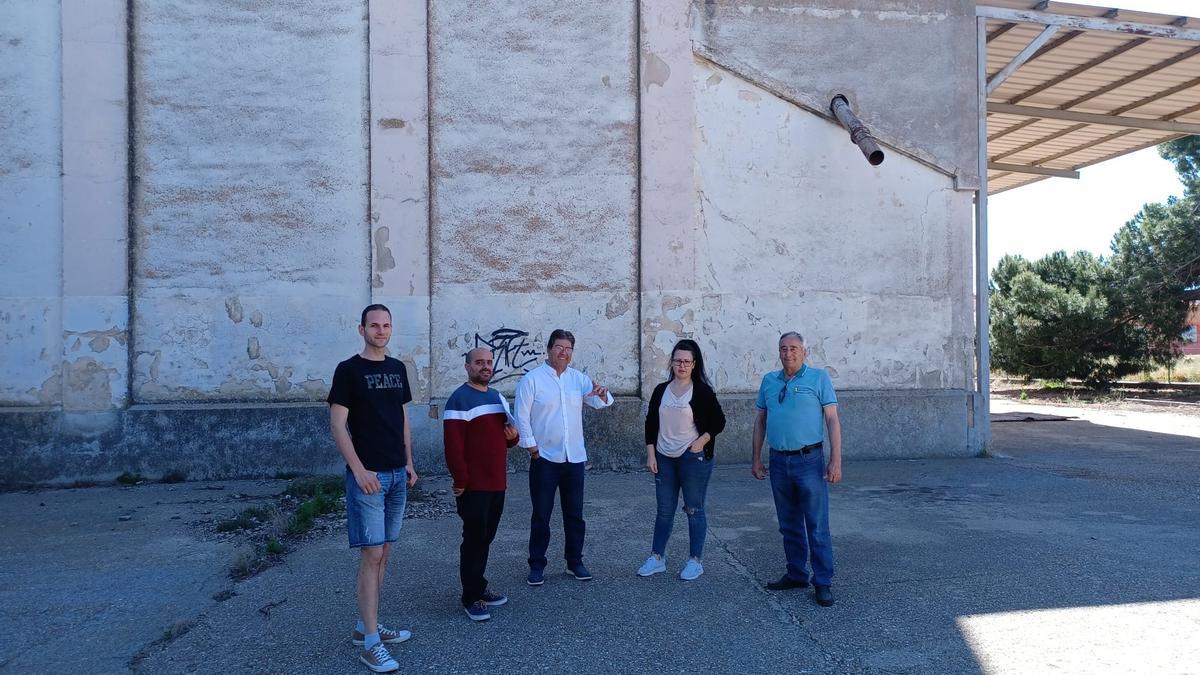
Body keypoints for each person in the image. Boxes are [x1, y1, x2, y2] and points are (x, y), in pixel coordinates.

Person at [328, 304, 418, 673]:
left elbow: (403, 420)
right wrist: (359, 470)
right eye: (374, 325)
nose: (381, 331)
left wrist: (409, 462)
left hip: (397, 474)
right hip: (369, 478)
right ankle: (370, 643)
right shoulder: (348, 371)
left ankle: (368, 625)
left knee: (384, 553)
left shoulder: (397, 369)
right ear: (361, 328)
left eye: (386, 325)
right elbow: (337, 426)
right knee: (372, 556)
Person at [514, 328, 613, 585]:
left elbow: (601, 401)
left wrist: (602, 394)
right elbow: (521, 417)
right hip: (544, 459)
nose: (564, 352)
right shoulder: (532, 380)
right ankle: (536, 565)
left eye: (568, 349)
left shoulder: (578, 379)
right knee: (541, 515)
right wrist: (532, 448)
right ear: (549, 349)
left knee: (575, 514)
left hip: (574, 459)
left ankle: (574, 562)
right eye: (559, 347)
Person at [751, 331, 843, 607]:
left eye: (793, 348)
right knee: (788, 523)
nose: (787, 353)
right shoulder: (769, 381)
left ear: (804, 352)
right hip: (779, 461)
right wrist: (755, 458)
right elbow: (760, 421)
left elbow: (832, 421)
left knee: (816, 525)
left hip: (809, 461)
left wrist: (835, 460)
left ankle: (823, 582)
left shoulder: (818, 378)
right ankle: (796, 573)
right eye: (782, 349)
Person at [443, 347, 520, 622]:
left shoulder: (497, 397)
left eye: (488, 362)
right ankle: (470, 597)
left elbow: (506, 436)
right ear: (467, 367)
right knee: (474, 539)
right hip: (473, 485)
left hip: (497, 481)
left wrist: (513, 438)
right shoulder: (459, 399)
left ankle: (479, 585)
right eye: (479, 363)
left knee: (486, 537)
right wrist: (460, 480)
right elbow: (453, 447)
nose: (485, 367)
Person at [639, 339, 726, 581]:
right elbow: (651, 424)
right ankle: (657, 558)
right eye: (678, 360)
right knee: (664, 511)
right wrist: (651, 453)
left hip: (692, 459)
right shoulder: (661, 390)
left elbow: (719, 421)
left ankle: (695, 561)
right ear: (672, 362)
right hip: (664, 459)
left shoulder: (702, 392)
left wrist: (702, 441)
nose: (682, 365)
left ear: (694, 364)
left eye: (687, 361)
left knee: (694, 509)